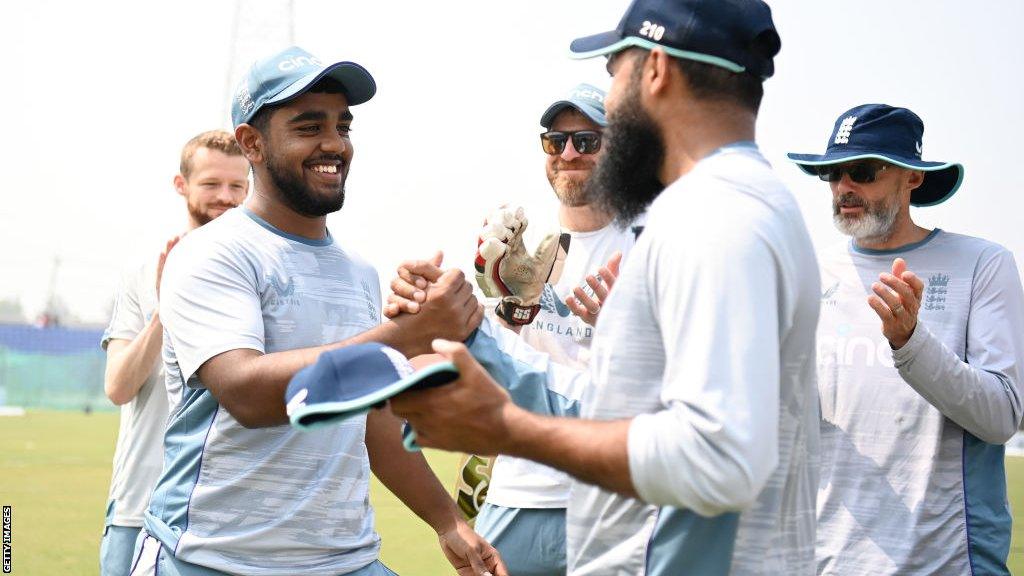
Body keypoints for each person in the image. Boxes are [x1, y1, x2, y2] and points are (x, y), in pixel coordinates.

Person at [388, 0, 821, 573]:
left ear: (656, 70)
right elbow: (627, 410)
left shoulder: (711, 218)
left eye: (614, 72)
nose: (613, 96)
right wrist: (471, 333)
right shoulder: (743, 204)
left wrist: (507, 429)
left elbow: (717, 457)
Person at [130, 47, 504, 576]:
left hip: (344, 562)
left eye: (342, 126)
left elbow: (369, 412)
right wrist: (407, 335)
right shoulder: (214, 253)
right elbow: (247, 393)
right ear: (252, 144)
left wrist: (448, 520)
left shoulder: (357, 272)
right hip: (211, 559)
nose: (334, 144)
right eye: (309, 126)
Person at [787, 103, 1024, 575]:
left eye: (863, 171)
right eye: (832, 173)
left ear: (912, 178)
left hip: (949, 562)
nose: (844, 187)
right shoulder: (809, 272)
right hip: (830, 562)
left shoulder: (983, 264)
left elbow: (1002, 416)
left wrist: (911, 342)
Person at [474, 84, 641, 576]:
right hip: (519, 493)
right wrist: (507, 309)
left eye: (586, 141)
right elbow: (494, 365)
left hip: (616, 501)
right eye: (555, 141)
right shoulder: (522, 245)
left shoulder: (655, 243)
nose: (568, 153)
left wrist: (620, 330)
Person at [99, 130, 249, 576]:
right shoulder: (144, 268)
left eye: (237, 186)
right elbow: (119, 387)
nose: (225, 197)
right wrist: (167, 311)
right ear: (181, 185)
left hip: (229, 519)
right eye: (211, 184)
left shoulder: (265, 270)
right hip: (139, 506)